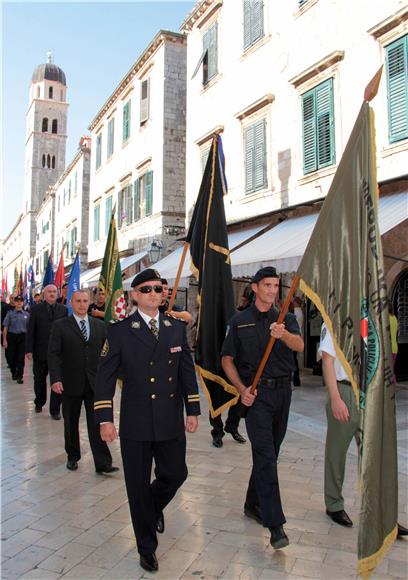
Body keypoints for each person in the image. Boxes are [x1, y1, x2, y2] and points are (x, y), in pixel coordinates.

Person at [94, 269, 200, 573]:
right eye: (148, 289)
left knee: (176, 473)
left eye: (159, 289)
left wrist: (192, 410)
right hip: (136, 421)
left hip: (168, 418)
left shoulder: (175, 328)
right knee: (136, 486)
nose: (156, 294)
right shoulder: (119, 331)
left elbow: (186, 372)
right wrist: (104, 419)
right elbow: (104, 379)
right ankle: (146, 547)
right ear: (135, 295)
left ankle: (151, 508)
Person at [221, 266, 304, 549]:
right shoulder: (239, 321)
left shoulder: (287, 318)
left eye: (275, 285)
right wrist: (241, 389)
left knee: (271, 454)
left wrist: (282, 335)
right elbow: (227, 359)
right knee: (266, 456)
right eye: (266, 285)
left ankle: (251, 503)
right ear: (255, 287)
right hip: (256, 398)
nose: (271, 290)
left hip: (284, 394)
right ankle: (275, 525)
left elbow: (300, 346)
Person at [320, 322, 408, 538]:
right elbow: (328, 362)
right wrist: (335, 398)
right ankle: (334, 504)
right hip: (345, 392)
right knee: (336, 453)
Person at [48, 290, 118, 474]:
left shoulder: (99, 326)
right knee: (71, 422)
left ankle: (103, 462)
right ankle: (73, 456)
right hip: (70, 383)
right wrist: (55, 379)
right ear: (71, 303)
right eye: (78, 301)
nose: (82, 304)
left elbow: (107, 354)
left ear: (89, 303)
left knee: (98, 422)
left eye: (85, 301)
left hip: (94, 383)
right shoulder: (61, 326)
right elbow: (53, 354)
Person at [26, 284, 68, 418]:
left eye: (54, 292)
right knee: (39, 379)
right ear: (44, 294)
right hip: (40, 351)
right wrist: (29, 349)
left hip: (58, 353)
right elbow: (31, 331)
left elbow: (66, 331)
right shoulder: (35, 309)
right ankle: (39, 401)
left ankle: (55, 410)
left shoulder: (63, 309)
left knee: (57, 380)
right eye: (49, 291)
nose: (52, 294)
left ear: (57, 293)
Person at [2, 296, 30, 383]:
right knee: (11, 357)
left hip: (22, 337)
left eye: (20, 301)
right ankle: (14, 372)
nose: (19, 303)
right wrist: (4, 340)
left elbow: (29, 328)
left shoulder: (27, 315)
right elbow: (5, 327)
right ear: (14, 303)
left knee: (21, 357)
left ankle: (20, 376)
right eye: (17, 301)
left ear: (23, 303)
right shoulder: (10, 314)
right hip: (12, 337)